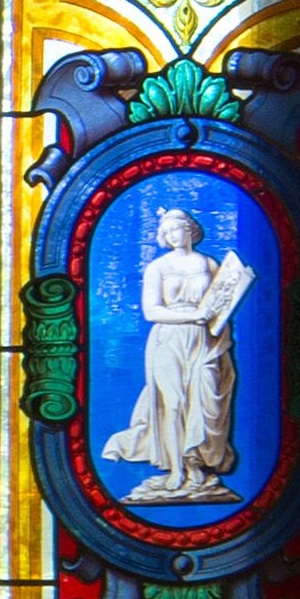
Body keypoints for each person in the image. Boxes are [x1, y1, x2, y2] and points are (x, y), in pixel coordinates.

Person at [103, 191, 253, 509]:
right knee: (173, 404)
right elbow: (151, 311)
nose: (175, 234)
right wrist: (192, 315)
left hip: (205, 340)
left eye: (179, 227)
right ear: (163, 236)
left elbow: (220, 301)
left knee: (205, 399)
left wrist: (225, 303)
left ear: (190, 229)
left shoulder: (207, 263)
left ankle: (197, 466)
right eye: (168, 230)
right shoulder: (158, 267)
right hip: (168, 340)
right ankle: (176, 470)